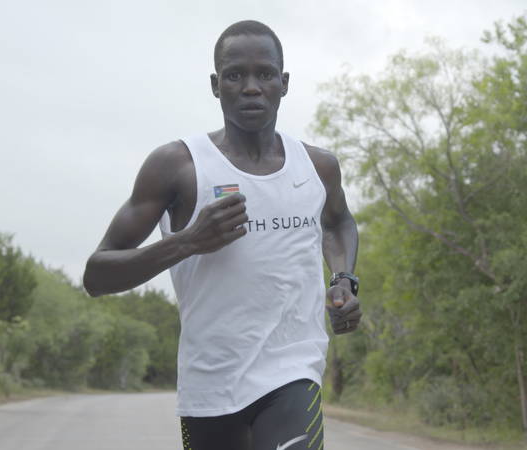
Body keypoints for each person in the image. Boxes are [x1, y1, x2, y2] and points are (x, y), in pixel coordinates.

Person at [83, 19, 361, 450]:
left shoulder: (318, 167)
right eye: (235, 75)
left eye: (265, 74)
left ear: (283, 83)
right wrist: (188, 241)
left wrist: (343, 280)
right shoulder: (177, 166)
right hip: (211, 386)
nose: (251, 87)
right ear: (216, 85)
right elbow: (97, 276)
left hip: (293, 370)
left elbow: (338, 222)